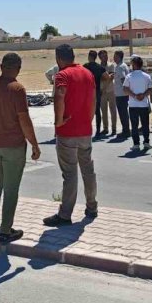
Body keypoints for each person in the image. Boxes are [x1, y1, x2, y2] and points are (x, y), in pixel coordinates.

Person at [0, 53, 41, 245]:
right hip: (13, 145)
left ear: (1, 66)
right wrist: (34, 144)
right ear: (18, 68)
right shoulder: (17, 89)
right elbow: (24, 120)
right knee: (11, 189)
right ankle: (6, 230)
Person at [43, 45, 97, 227]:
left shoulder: (62, 75)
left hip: (68, 132)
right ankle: (92, 206)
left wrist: (58, 120)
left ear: (59, 58)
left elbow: (59, 95)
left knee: (70, 173)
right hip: (85, 130)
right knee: (88, 170)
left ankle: (65, 214)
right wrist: (89, 119)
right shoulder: (87, 73)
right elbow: (93, 99)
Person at [123, 56, 152, 151]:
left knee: (134, 126)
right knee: (145, 125)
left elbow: (125, 89)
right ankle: (146, 142)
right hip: (144, 104)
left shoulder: (129, 76)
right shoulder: (146, 76)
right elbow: (151, 89)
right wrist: (143, 95)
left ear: (135, 65)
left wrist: (134, 96)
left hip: (133, 105)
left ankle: (136, 144)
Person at [82, 50, 108, 135]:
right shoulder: (100, 67)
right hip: (96, 91)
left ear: (89, 57)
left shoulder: (85, 67)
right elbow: (106, 77)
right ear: (96, 57)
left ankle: (86, 129)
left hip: (87, 92)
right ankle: (98, 131)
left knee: (86, 112)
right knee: (97, 111)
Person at [112, 50, 131, 139]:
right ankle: (125, 130)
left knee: (123, 113)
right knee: (123, 113)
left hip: (121, 94)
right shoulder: (122, 66)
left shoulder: (120, 67)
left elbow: (123, 79)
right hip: (122, 93)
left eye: (115, 56)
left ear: (119, 57)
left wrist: (125, 90)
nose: (114, 58)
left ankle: (126, 131)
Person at [98, 50, 118, 135]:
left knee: (113, 110)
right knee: (104, 110)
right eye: (103, 56)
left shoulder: (111, 65)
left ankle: (114, 129)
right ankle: (105, 128)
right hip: (102, 91)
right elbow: (101, 78)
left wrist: (104, 81)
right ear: (100, 57)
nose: (105, 58)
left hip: (110, 90)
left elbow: (110, 78)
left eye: (106, 56)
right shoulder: (98, 67)